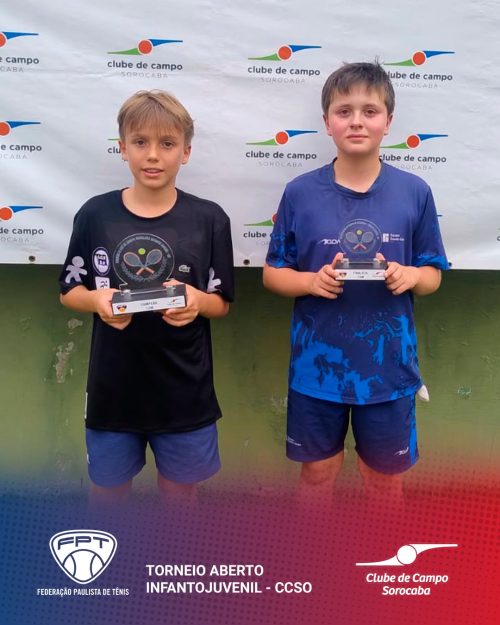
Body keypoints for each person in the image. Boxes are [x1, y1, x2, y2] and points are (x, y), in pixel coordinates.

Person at [263, 62, 448, 507]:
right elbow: (273, 273)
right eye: (344, 111)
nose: (357, 121)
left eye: (370, 111)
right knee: (317, 474)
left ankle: (380, 554)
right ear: (327, 122)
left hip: (389, 371)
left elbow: (433, 275)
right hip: (316, 370)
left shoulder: (415, 192)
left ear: (388, 121)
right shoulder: (300, 192)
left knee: (383, 481)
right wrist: (311, 281)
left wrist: (410, 276)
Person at [59, 90, 234, 507]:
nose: (153, 155)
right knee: (108, 493)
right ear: (122, 148)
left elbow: (221, 302)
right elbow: (69, 291)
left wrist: (196, 301)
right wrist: (97, 302)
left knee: (179, 495)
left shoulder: (210, 219)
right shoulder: (95, 215)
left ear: (185, 152)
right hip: (113, 392)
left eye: (167, 143)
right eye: (140, 142)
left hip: (185, 392)